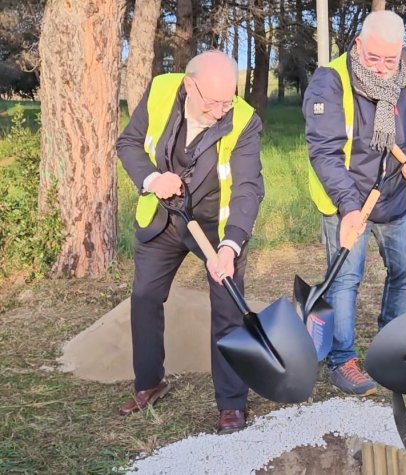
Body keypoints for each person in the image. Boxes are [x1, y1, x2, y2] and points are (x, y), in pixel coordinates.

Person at [116, 50, 264, 434]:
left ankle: (231, 403)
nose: (220, 112)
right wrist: (152, 180)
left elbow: (248, 188)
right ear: (188, 85)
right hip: (165, 216)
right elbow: (129, 143)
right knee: (145, 297)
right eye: (212, 102)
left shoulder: (245, 120)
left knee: (228, 307)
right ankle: (149, 381)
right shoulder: (162, 90)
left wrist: (230, 247)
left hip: (217, 227)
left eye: (226, 102)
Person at [302, 10, 406, 396]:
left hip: (397, 194)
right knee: (346, 279)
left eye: (390, 60)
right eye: (373, 58)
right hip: (347, 200)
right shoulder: (329, 81)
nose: (382, 69)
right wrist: (349, 206)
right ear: (358, 45)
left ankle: (390, 348)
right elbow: (325, 152)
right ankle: (342, 360)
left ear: (401, 52)